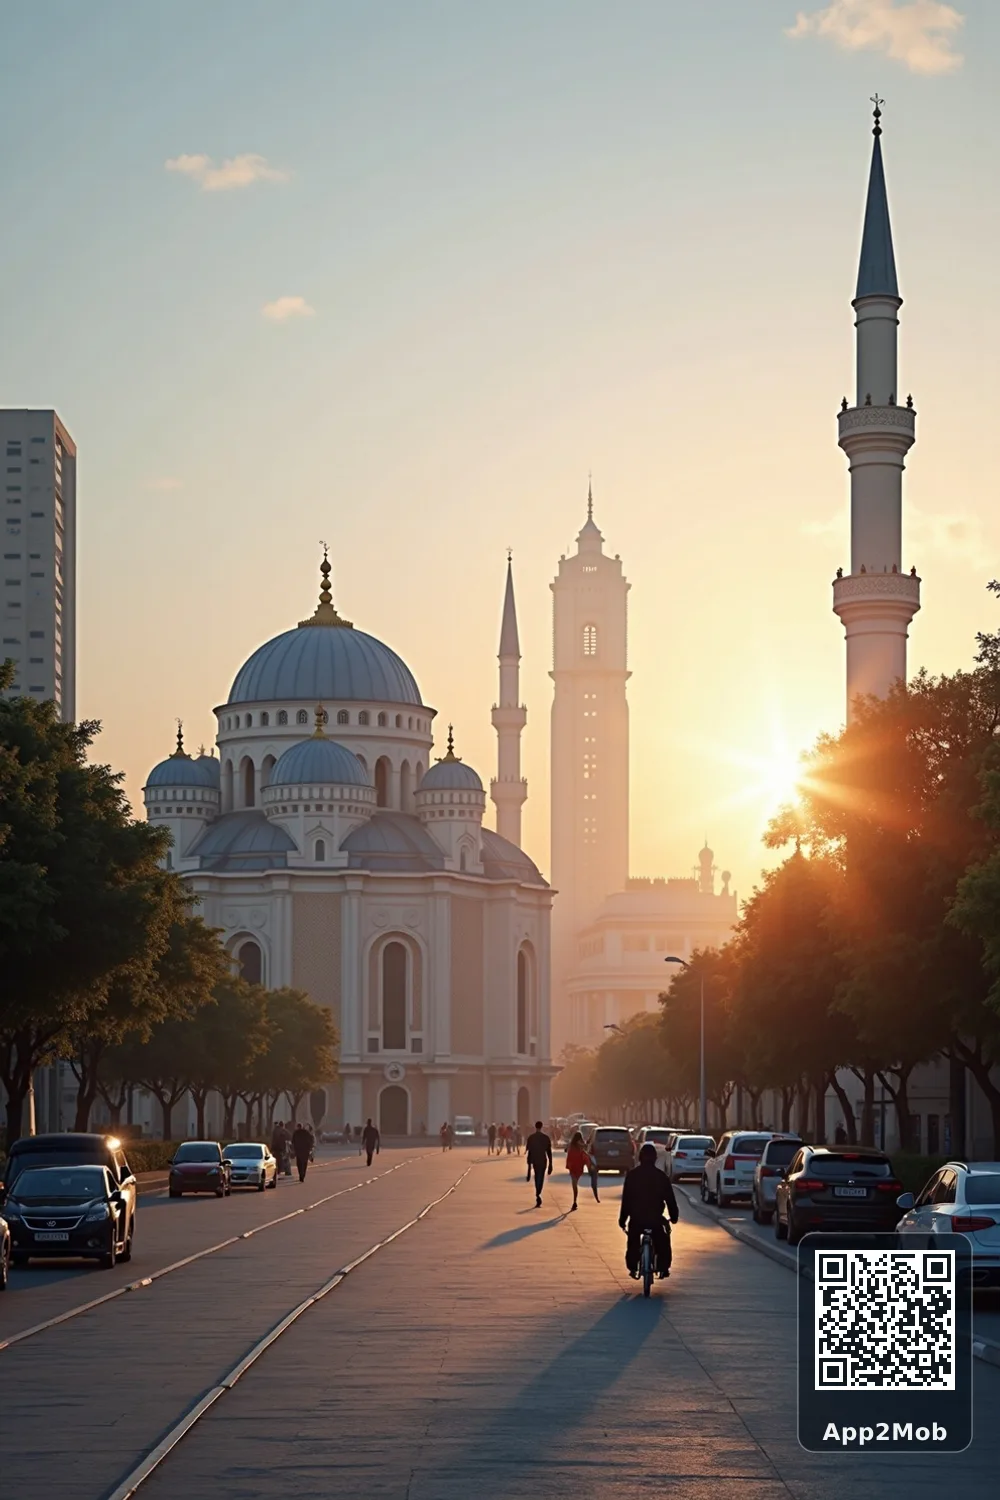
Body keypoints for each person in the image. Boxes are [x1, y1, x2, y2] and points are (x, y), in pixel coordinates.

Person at [619, 1142, 679, 1279]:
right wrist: (674, 1217)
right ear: (655, 1158)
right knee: (663, 1241)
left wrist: (622, 1220)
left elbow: (626, 1201)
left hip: (637, 1219)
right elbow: (670, 1200)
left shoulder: (632, 1176)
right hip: (655, 1219)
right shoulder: (661, 1177)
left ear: (640, 1157)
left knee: (633, 1241)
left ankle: (633, 1267)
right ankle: (663, 1268)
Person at [524, 1120, 553, 1208]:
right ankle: (538, 1193)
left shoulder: (531, 1138)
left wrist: (529, 1169)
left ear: (535, 1127)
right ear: (542, 1127)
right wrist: (550, 1165)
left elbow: (529, 1152)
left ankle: (538, 1194)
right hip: (543, 1160)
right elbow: (549, 1152)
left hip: (535, 1160)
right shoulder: (546, 1138)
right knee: (541, 1178)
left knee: (537, 1177)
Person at [565, 1130, 597, 1210]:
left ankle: (574, 1201)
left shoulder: (575, 1145)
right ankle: (574, 1201)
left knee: (574, 1184)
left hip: (574, 1167)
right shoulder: (577, 1145)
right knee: (575, 1183)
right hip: (577, 1168)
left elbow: (567, 1150)